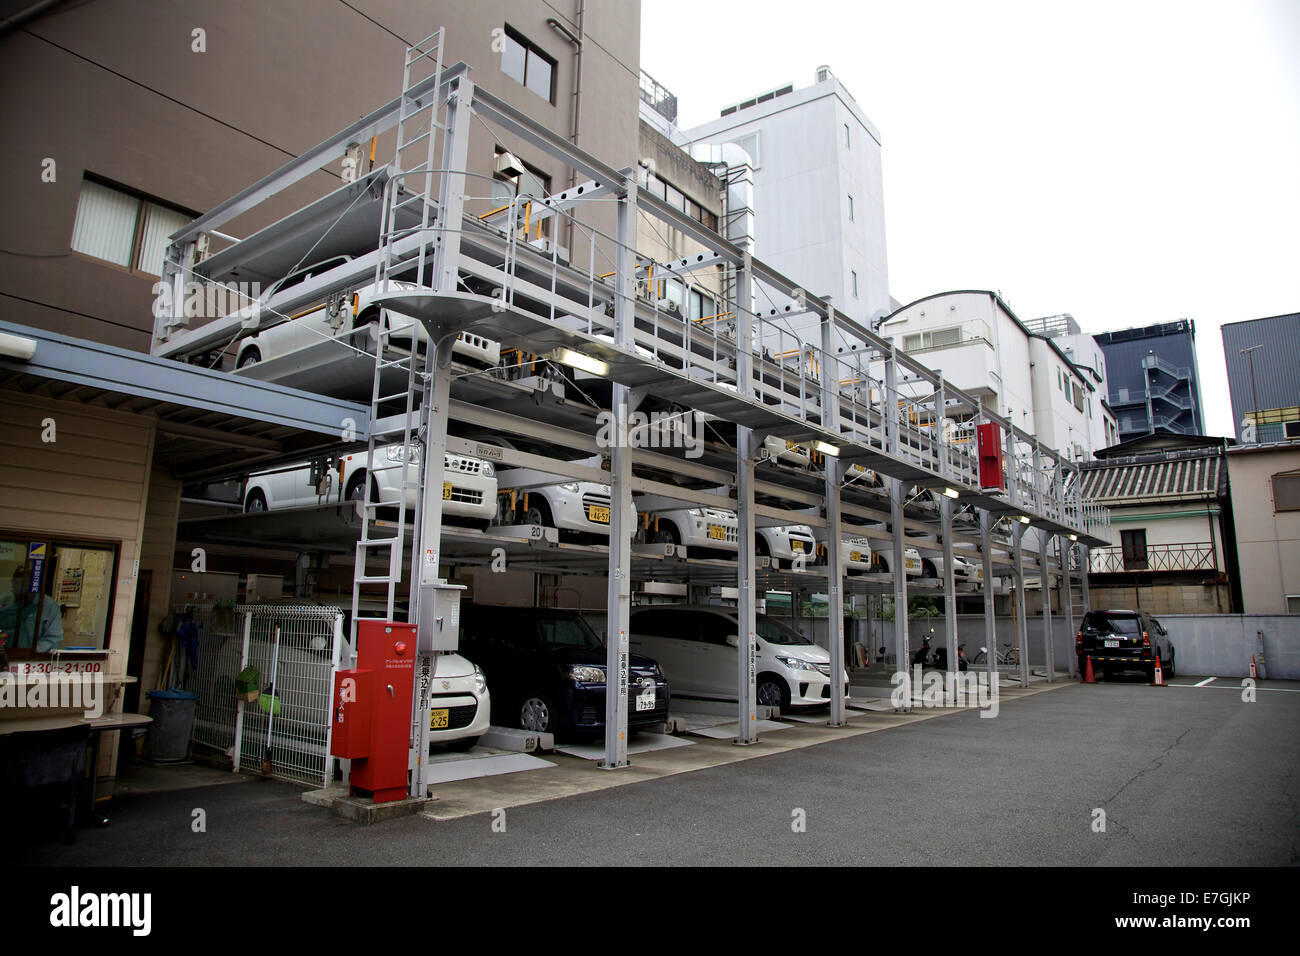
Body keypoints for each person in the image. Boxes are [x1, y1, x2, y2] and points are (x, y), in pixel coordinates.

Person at [0, 566, 63, 653]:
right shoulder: (7, 602)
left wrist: (32, 652)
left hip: (34, 659)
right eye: (15, 585)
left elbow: (53, 638)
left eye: (21, 584)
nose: (15, 589)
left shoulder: (49, 606)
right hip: (7, 655)